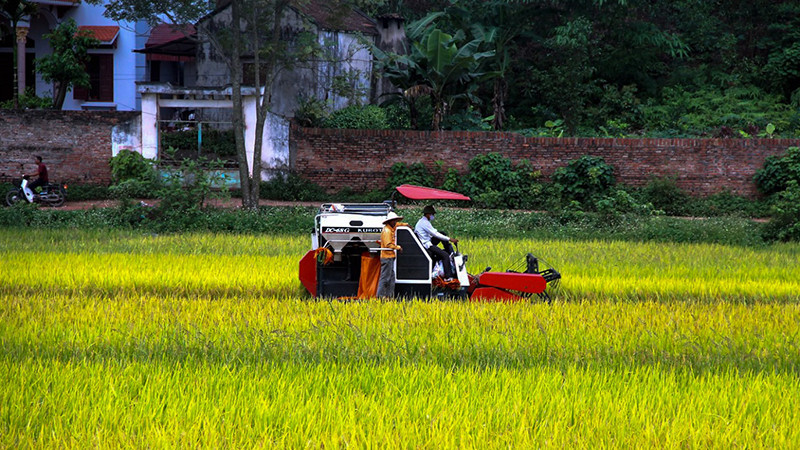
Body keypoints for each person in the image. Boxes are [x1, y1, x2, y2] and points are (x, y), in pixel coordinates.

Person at [415, 205, 458, 280]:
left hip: (428, 240)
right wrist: (450, 239)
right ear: (428, 214)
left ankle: (449, 250)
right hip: (426, 245)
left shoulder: (424, 221)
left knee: (442, 233)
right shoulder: (424, 223)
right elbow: (435, 234)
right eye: (432, 214)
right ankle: (449, 276)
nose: (433, 216)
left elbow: (435, 233)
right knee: (445, 255)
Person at [376, 212, 405, 298]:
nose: (395, 222)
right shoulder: (387, 231)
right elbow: (388, 244)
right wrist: (398, 247)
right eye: (394, 220)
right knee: (385, 278)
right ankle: (380, 297)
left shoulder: (391, 228)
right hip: (387, 257)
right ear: (390, 221)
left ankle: (389, 296)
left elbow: (399, 225)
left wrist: (406, 225)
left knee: (391, 278)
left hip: (390, 257)